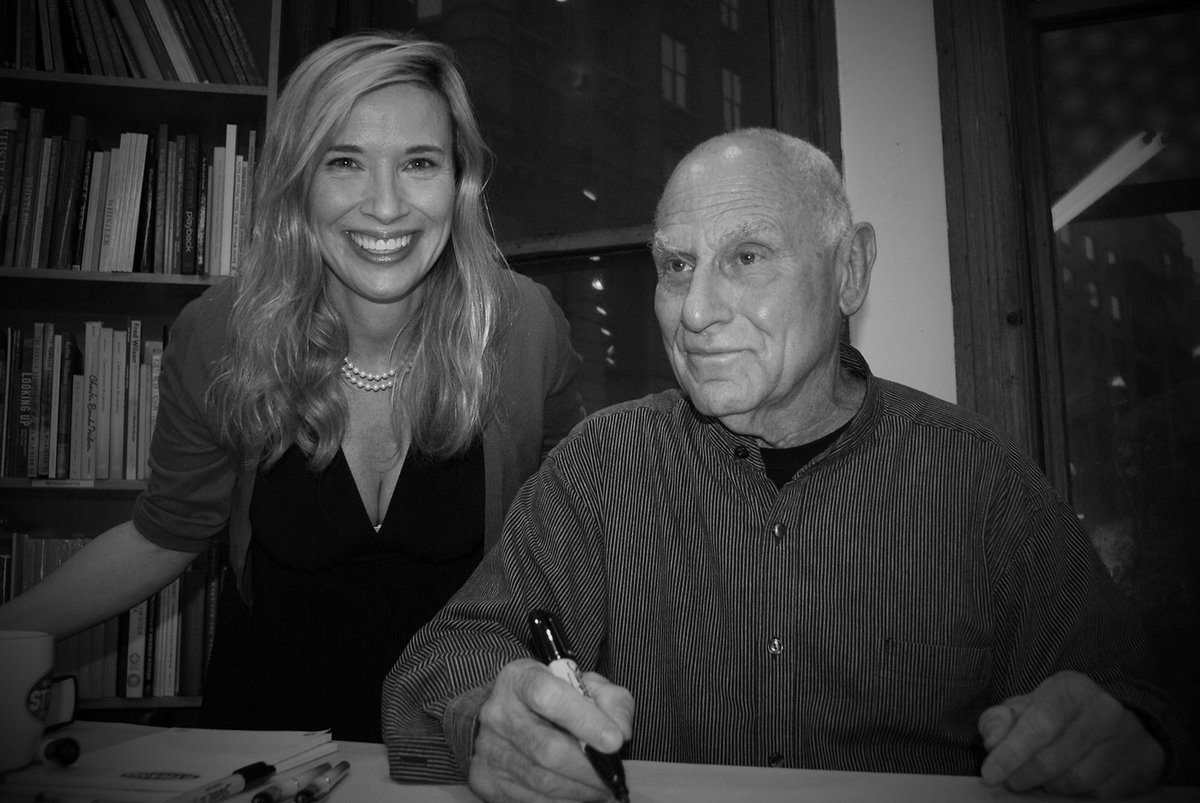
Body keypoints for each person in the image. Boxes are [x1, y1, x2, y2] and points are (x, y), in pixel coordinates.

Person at [381, 128, 1194, 799]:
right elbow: (432, 672)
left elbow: (1139, 696)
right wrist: (491, 716)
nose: (695, 311)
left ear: (850, 271)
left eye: (747, 257)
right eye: (676, 266)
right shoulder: (604, 465)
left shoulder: (976, 477)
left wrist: (1125, 731)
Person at [0, 32, 584, 742]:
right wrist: (13, 627)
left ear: (458, 182)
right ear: (299, 180)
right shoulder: (220, 331)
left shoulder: (524, 328)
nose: (386, 205)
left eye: (419, 163)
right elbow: (167, 530)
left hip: (461, 749)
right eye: (345, 163)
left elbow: (573, 530)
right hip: (263, 744)